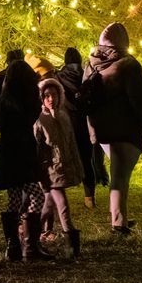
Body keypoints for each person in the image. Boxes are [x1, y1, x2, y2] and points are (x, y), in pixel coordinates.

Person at [83, 21, 142, 237]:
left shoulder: (91, 64)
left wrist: (92, 131)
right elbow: (139, 102)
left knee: (119, 174)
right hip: (125, 128)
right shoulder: (128, 65)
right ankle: (118, 222)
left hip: (102, 129)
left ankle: (120, 218)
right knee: (121, 177)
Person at [0, 49, 46, 262]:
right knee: (37, 194)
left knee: (14, 198)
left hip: (6, 150)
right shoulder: (25, 104)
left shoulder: (3, 101)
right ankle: (30, 244)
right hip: (21, 149)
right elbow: (32, 116)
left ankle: (13, 245)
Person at [34, 76, 84, 258]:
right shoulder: (40, 119)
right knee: (61, 203)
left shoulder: (63, 116)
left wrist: (75, 165)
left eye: (54, 95)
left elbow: (70, 144)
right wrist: (40, 171)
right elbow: (39, 147)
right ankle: (71, 239)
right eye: (46, 96)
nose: (50, 99)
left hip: (62, 168)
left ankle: (29, 235)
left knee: (47, 206)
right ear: (41, 98)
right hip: (49, 170)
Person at [55, 46, 105, 213]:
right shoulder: (86, 75)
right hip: (85, 123)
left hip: (65, 124)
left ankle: (58, 199)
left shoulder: (58, 77)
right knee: (86, 160)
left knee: (59, 160)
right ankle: (89, 197)